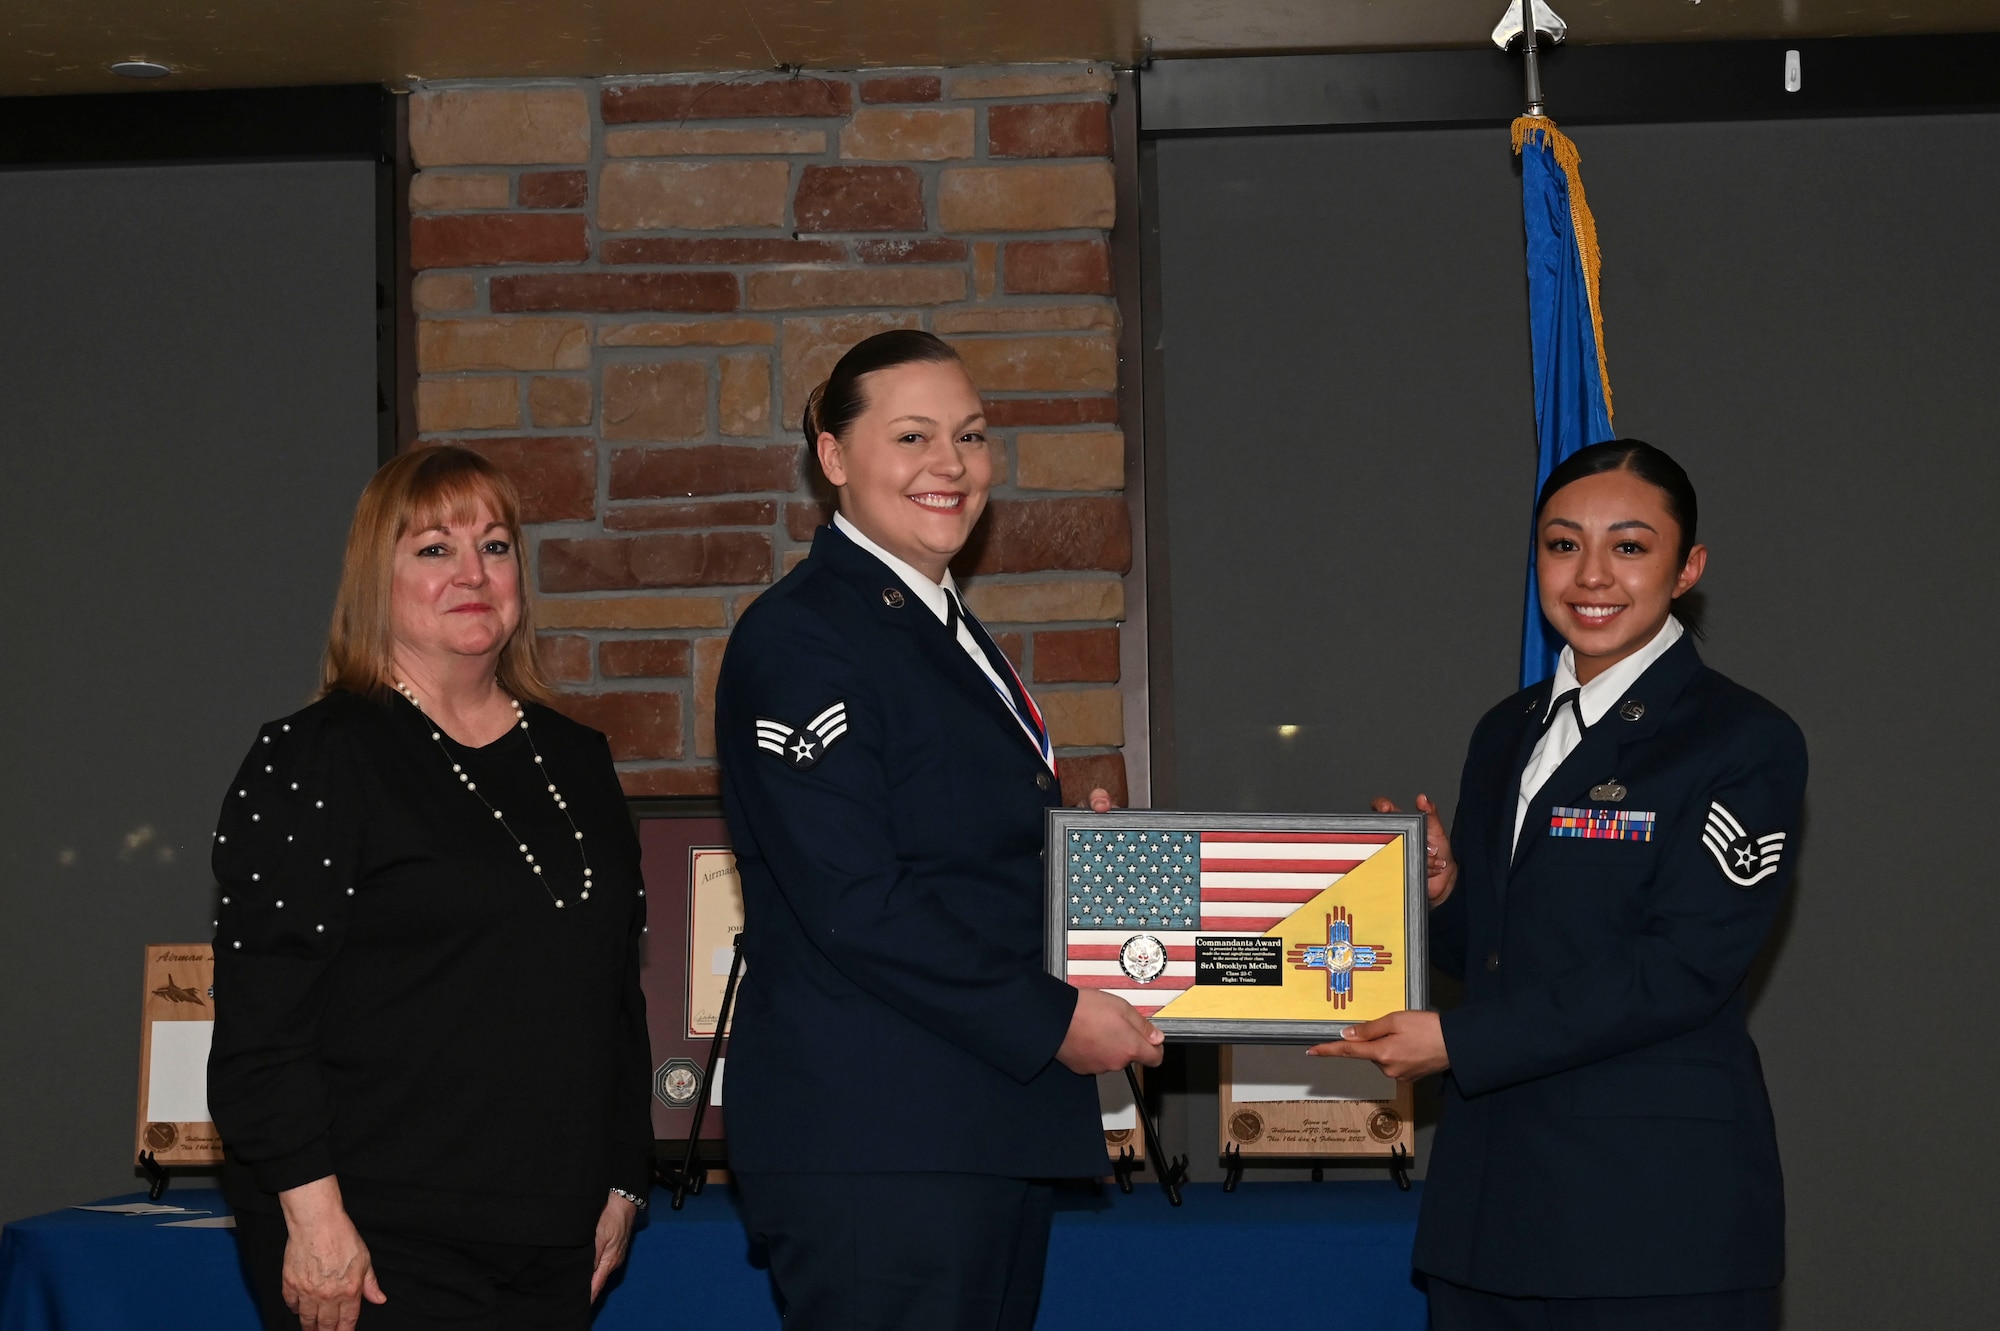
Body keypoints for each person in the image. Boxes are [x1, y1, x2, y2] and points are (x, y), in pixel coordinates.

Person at [714, 329, 1164, 1330]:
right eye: (911, 435)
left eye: (969, 435)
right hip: (881, 1139)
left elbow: (955, 853)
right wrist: (1052, 1017)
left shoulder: (937, 626)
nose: (949, 465)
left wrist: (1077, 866)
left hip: (965, 1123)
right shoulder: (803, 636)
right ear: (833, 457)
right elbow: (854, 898)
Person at [1319, 440, 1806, 1329]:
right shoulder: (1506, 730)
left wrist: (1459, 1043)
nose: (1591, 575)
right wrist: (1445, 892)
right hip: (1492, 1218)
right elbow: (1504, 953)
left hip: (1653, 1225)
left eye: (1629, 545)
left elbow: (1681, 971)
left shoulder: (1742, 740)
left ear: (1687, 567)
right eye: (1560, 543)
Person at [207, 446, 654, 1331]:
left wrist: (623, 1176)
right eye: (434, 549)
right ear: (379, 578)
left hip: (552, 1235)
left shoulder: (578, 759)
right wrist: (315, 1215)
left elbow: (613, 995)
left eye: (494, 546)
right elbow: (263, 1021)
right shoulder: (317, 754)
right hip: (374, 1241)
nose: (473, 573)